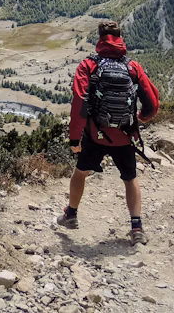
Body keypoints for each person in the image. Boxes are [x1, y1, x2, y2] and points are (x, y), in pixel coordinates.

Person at [55, 21, 160, 245]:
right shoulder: (132, 66)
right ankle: (137, 227)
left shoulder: (88, 66)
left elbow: (79, 103)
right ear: (120, 38)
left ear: (100, 38)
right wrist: (142, 118)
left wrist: (75, 137)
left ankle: (71, 215)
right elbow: (152, 102)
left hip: (95, 135)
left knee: (80, 173)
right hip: (125, 135)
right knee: (130, 179)